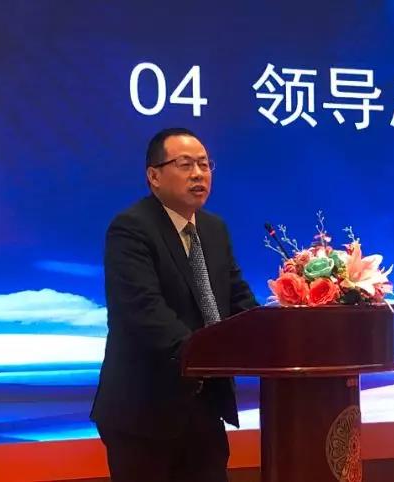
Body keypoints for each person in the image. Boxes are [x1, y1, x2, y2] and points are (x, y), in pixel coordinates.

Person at [91, 127, 258, 482]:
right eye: (185, 165)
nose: (199, 174)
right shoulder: (131, 228)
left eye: (204, 164)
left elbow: (236, 296)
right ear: (154, 176)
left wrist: (273, 331)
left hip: (206, 407)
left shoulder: (214, 229)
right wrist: (207, 355)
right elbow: (144, 311)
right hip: (144, 411)